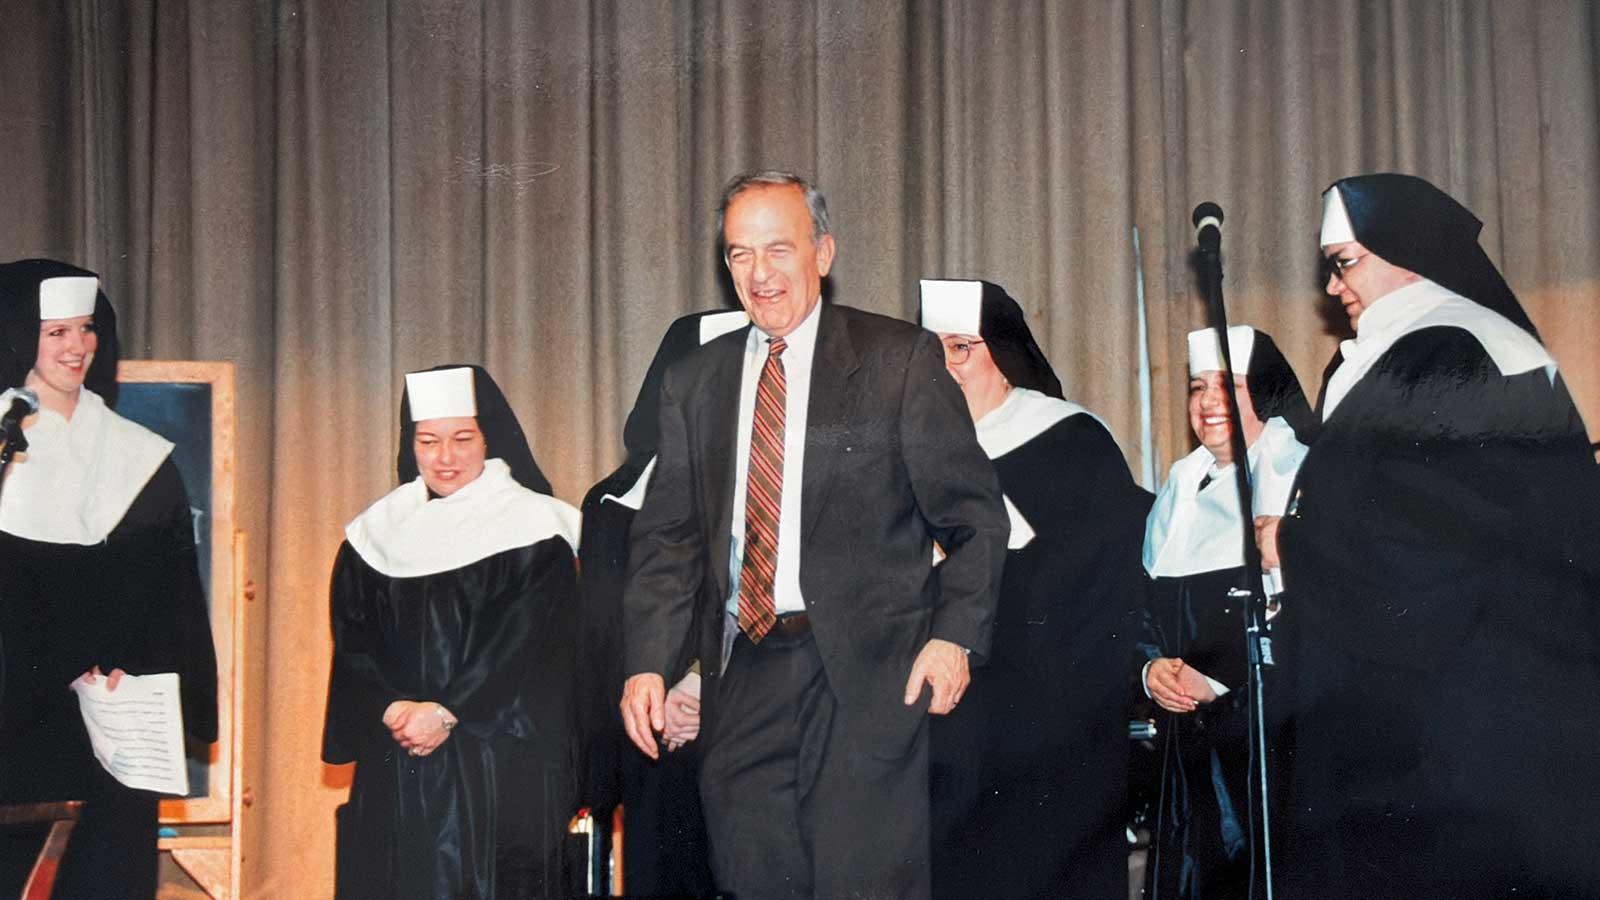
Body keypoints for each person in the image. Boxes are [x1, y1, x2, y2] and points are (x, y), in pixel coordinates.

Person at [619, 172, 1009, 900]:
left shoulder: (898, 360)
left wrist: (953, 637)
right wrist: (648, 662)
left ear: (823, 253)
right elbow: (667, 541)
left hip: (866, 676)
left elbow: (975, 517)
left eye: (778, 250)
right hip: (746, 674)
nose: (760, 275)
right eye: (740, 255)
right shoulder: (694, 382)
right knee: (750, 878)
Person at [1268, 173, 1600, 898]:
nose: (1333, 287)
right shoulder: (1420, 347)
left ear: (1409, 253)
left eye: (1345, 261)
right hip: (1446, 694)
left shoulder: (1448, 350)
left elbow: (1428, 540)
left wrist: (1286, 544)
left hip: (1460, 715)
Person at [919, 279, 1151, 900]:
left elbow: (1103, 578)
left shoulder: (1070, 439)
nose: (945, 367)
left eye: (961, 348)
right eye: (931, 350)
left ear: (1003, 350)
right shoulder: (913, 454)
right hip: (946, 717)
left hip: (1045, 715)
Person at [0, 259, 218, 899]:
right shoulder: (2, 444)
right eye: (56, 332)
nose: (78, 347)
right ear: (20, 337)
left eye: (87, 329)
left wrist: (137, 668)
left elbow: (171, 597)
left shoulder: (138, 456)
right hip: (14, 721)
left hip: (110, 721)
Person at [322, 364, 582, 900]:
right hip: (397, 762)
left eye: (463, 438)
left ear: (489, 437)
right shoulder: (375, 534)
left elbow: (524, 641)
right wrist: (392, 708)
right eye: (428, 440)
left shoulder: (536, 526)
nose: (446, 457)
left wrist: (445, 710)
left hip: (498, 764)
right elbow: (352, 640)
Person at [1137, 325, 1312, 900]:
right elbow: (1146, 604)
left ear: (1261, 391)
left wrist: (1216, 678)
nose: (1208, 402)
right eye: (1196, 386)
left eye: (1227, 385)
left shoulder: (1296, 473)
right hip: (1184, 739)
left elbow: (1302, 616)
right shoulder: (1179, 482)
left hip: (1268, 736)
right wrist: (1151, 667)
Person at [577, 308, 746, 897]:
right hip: (653, 741)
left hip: (755, 729)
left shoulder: (793, 482)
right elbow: (602, 630)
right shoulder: (612, 502)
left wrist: (701, 683)